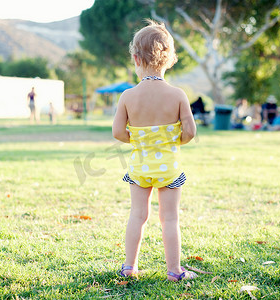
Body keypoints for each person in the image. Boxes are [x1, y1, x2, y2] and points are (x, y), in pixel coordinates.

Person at [112, 20, 197, 282]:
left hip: (140, 167)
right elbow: (190, 132)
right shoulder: (178, 95)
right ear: (170, 59)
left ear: (136, 58)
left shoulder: (128, 96)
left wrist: (141, 142)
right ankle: (174, 271)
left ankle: (129, 266)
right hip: (169, 167)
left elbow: (117, 132)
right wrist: (172, 143)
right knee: (169, 218)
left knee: (137, 215)